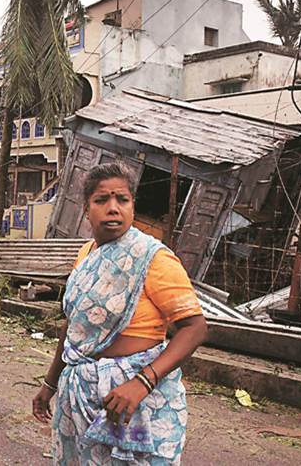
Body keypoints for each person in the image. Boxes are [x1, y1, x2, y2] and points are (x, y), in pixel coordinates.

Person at [33, 162, 207, 465]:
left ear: (132, 206)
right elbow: (74, 328)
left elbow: (194, 327)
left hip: (135, 400)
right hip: (81, 395)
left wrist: (142, 383)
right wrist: (50, 384)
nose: (113, 208)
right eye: (102, 200)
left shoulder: (153, 258)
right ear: (86, 209)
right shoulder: (86, 255)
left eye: (122, 200)